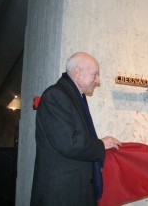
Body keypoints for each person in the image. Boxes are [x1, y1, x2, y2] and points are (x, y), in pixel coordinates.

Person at [30, 52, 121, 206]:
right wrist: (101, 145)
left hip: (72, 192)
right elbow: (68, 142)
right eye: (95, 74)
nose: (98, 81)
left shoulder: (73, 96)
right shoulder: (56, 95)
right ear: (77, 72)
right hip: (61, 195)